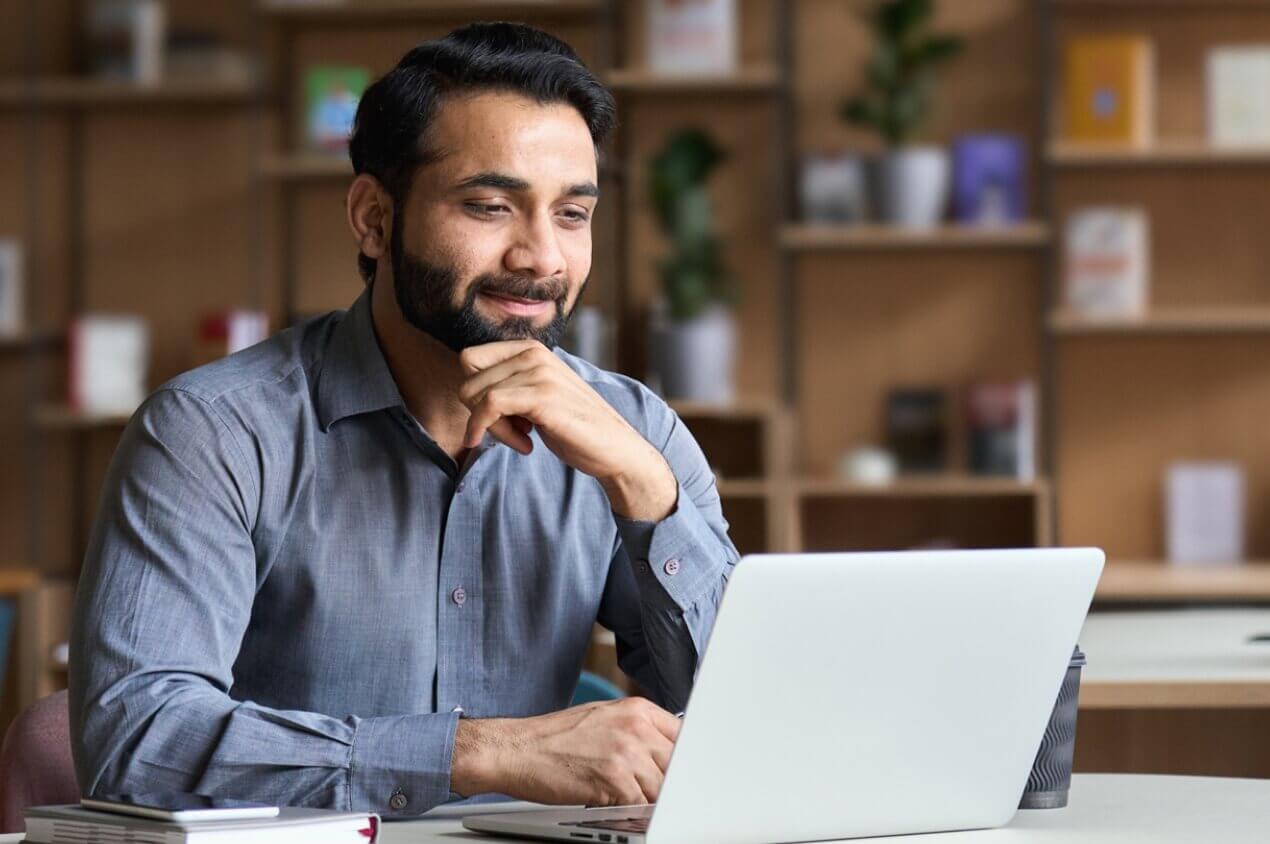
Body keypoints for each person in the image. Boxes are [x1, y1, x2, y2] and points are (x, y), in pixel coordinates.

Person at [68, 22, 739, 817]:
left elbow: (751, 722)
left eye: (572, 214)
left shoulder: (636, 432)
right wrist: (480, 752)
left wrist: (645, 492)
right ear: (373, 218)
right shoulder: (212, 433)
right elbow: (135, 742)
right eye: (491, 205)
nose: (542, 259)